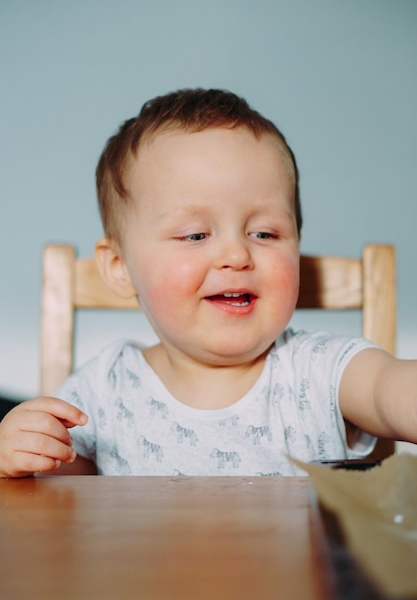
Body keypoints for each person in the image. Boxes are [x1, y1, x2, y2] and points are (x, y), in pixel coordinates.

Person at [1, 88, 416, 478]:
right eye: (196, 235)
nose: (237, 255)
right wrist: (23, 455)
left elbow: (387, 389)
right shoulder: (102, 391)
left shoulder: (319, 370)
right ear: (119, 266)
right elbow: (60, 499)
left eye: (265, 234)